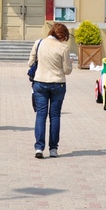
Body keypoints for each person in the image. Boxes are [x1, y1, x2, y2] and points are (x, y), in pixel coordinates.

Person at [29, 22, 72, 159]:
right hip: (57, 84)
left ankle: (39, 148)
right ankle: (53, 149)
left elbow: (30, 63)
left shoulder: (39, 43)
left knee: (41, 115)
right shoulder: (63, 48)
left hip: (40, 82)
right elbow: (67, 70)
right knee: (55, 116)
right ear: (63, 36)